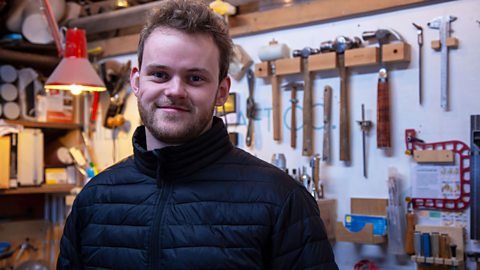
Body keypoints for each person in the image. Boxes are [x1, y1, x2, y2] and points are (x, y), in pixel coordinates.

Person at [57, 0, 338, 269]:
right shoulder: (94, 200)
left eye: (195, 78)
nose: (175, 90)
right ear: (136, 80)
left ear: (221, 91)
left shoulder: (281, 201)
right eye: (159, 74)